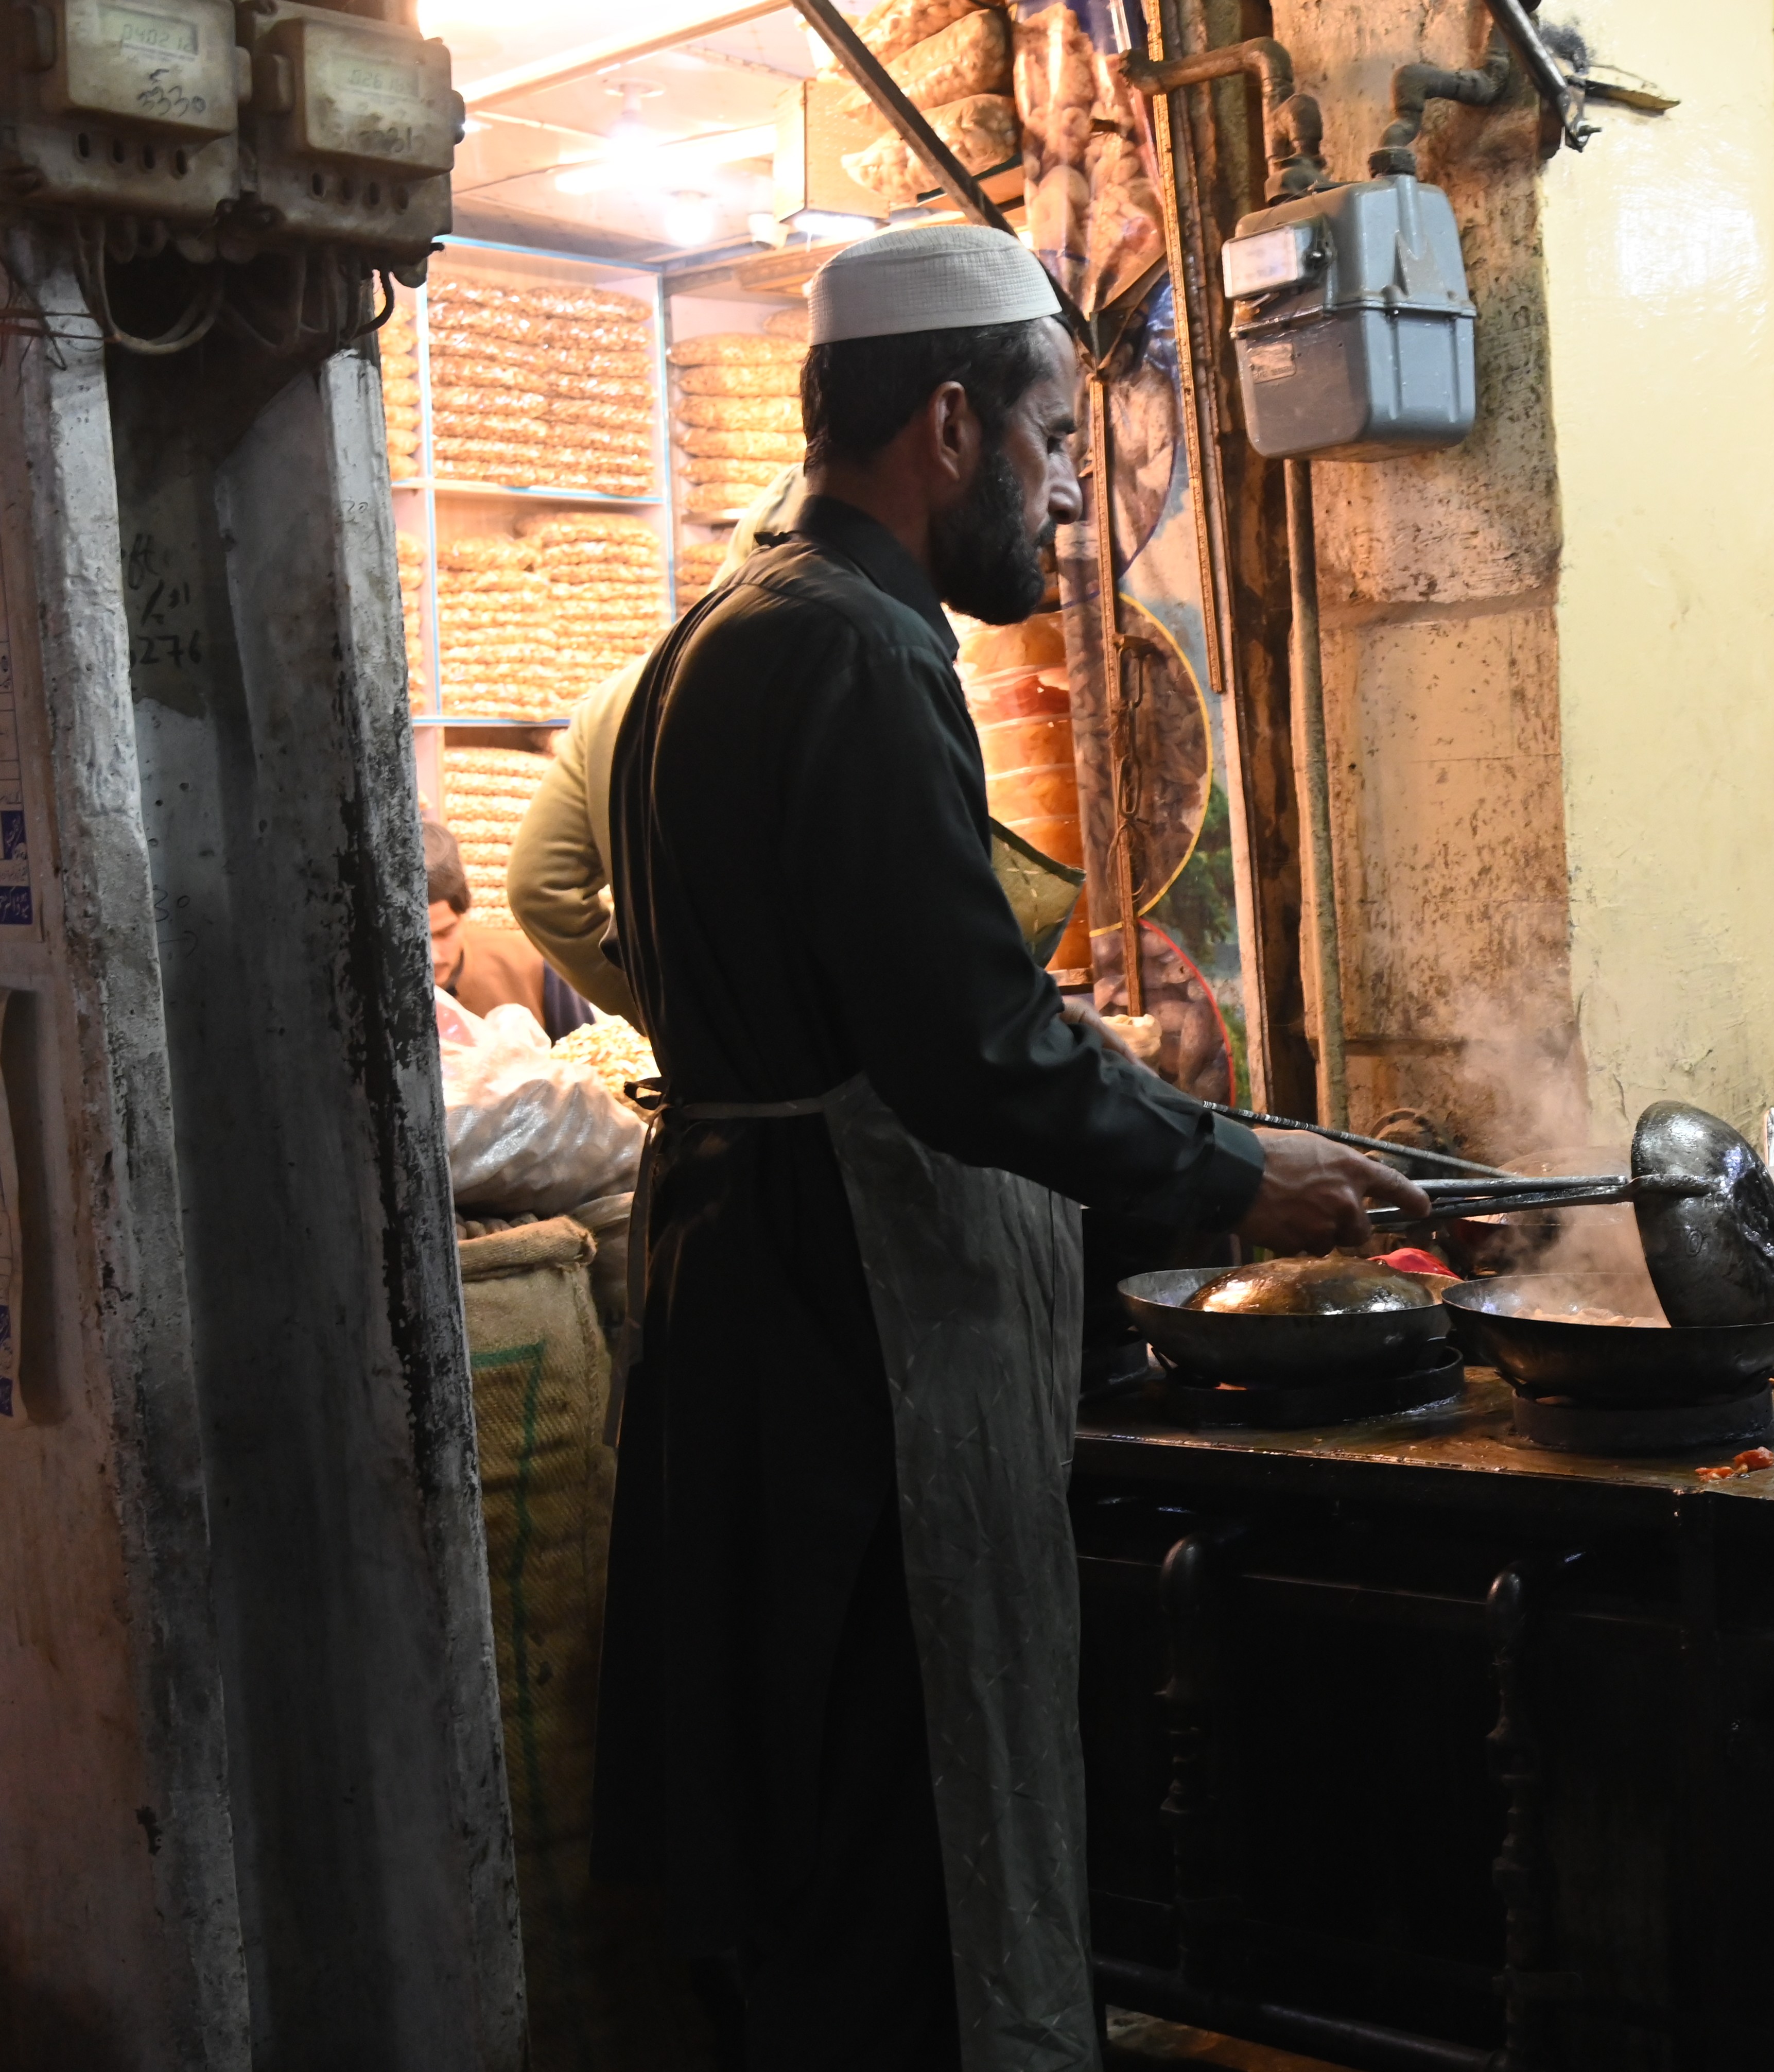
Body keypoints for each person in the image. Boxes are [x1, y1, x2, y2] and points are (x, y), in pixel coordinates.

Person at [585, 223, 1427, 2071]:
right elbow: (971, 1052)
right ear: (947, 421)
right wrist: (1234, 1169)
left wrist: (1216, 1127)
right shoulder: (862, 659)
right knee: (922, 1837)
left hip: (749, 1312)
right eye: (1053, 440)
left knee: (805, 1831)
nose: (1062, 495)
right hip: (858, 1341)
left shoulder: (705, 646)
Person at [508, 465, 804, 1026]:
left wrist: (660, 1013)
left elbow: (537, 886)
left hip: (708, 1074)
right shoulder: (845, 683)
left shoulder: (617, 698)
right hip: (839, 1082)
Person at [423, 814, 588, 1035]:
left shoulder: (532, 964)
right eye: (416, 943)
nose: (434, 957)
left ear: (463, 915)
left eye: (445, 933)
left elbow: (587, 1054)